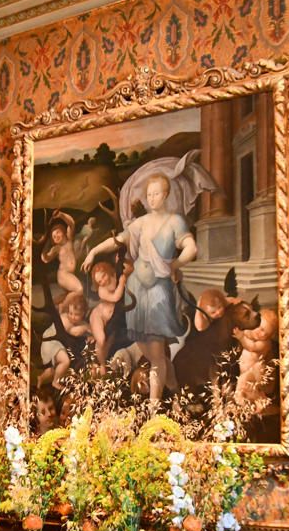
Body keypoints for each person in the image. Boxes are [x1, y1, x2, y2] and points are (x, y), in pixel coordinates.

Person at [82, 168, 201, 403]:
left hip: (158, 292)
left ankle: (154, 408)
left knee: (156, 355)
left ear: (165, 194)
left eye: (156, 193)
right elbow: (117, 241)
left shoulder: (174, 221)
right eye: (149, 194)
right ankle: (175, 391)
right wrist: (94, 251)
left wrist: (174, 265)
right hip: (136, 292)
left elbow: (191, 248)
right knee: (152, 353)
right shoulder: (141, 223)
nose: (152, 198)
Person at [87, 260, 127, 366]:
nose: (103, 281)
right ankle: (102, 365)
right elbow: (115, 297)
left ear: (108, 271)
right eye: (99, 281)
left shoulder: (115, 277)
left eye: (104, 276)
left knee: (109, 342)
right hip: (99, 316)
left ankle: (104, 361)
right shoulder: (102, 290)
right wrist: (122, 283)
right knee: (101, 340)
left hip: (112, 318)